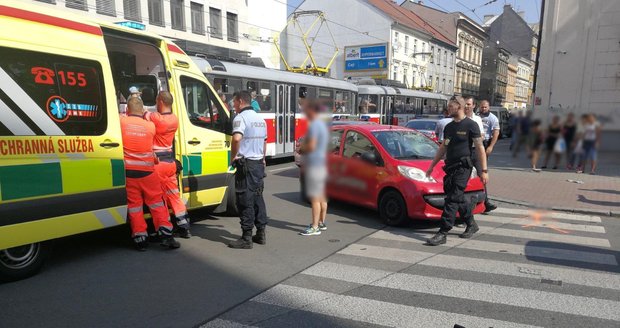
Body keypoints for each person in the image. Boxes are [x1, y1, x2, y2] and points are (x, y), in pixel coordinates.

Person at [425, 96, 487, 246]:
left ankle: (443, 232)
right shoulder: (449, 127)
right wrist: (432, 165)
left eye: (450, 106)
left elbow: (480, 148)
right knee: (456, 197)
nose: (448, 109)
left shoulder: (471, 125)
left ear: (459, 106)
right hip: (450, 167)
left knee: (452, 198)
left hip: (463, 167)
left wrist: (484, 170)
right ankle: (471, 224)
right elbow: (443, 147)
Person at [121, 97, 180, 251]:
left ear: (127, 109)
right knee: (157, 204)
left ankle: (140, 239)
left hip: (129, 173)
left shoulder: (122, 122)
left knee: (135, 207)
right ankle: (166, 235)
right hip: (148, 172)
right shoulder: (150, 126)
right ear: (141, 110)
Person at [144, 91, 191, 239]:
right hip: (170, 162)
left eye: (157, 101)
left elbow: (140, 113)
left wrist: (134, 97)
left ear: (160, 101)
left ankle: (164, 229)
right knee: (174, 196)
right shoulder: (174, 119)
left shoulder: (156, 118)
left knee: (158, 199)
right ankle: (184, 226)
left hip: (158, 163)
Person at [228, 91, 268, 249]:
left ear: (240, 101)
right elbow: (264, 142)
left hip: (246, 165)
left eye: (234, 102)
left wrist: (233, 156)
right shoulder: (260, 119)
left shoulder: (240, 118)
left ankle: (246, 238)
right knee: (258, 198)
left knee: (245, 200)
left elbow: (237, 138)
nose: (234, 105)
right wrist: (263, 159)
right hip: (258, 163)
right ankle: (261, 233)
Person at [298, 99, 329, 236]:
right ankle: (321, 223)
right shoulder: (322, 125)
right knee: (322, 197)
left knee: (315, 198)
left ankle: (315, 227)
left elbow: (311, 146)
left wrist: (301, 148)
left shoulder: (314, 126)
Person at [478, 100, 499, 213]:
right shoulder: (476, 116)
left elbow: (496, 132)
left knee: (482, 172)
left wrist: (490, 146)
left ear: (489, 107)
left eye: (485, 107)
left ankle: (485, 202)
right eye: (482, 107)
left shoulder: (493, 118)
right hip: (475, 144)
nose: (484, 109)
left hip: (485, 143)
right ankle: (483, 201)